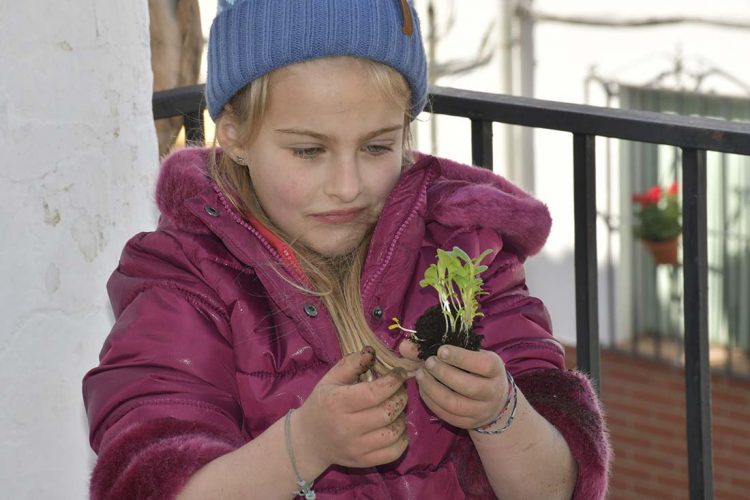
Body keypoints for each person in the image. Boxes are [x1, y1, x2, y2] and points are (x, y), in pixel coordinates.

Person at [83, 1, 610, 498]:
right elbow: (144, 478)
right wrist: (301, 446)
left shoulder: (465, 247)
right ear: (235, 135)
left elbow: (558, 485)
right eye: (309, 150)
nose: (348, 186)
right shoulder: (184, 279)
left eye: (378, 146)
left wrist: (500, 414)